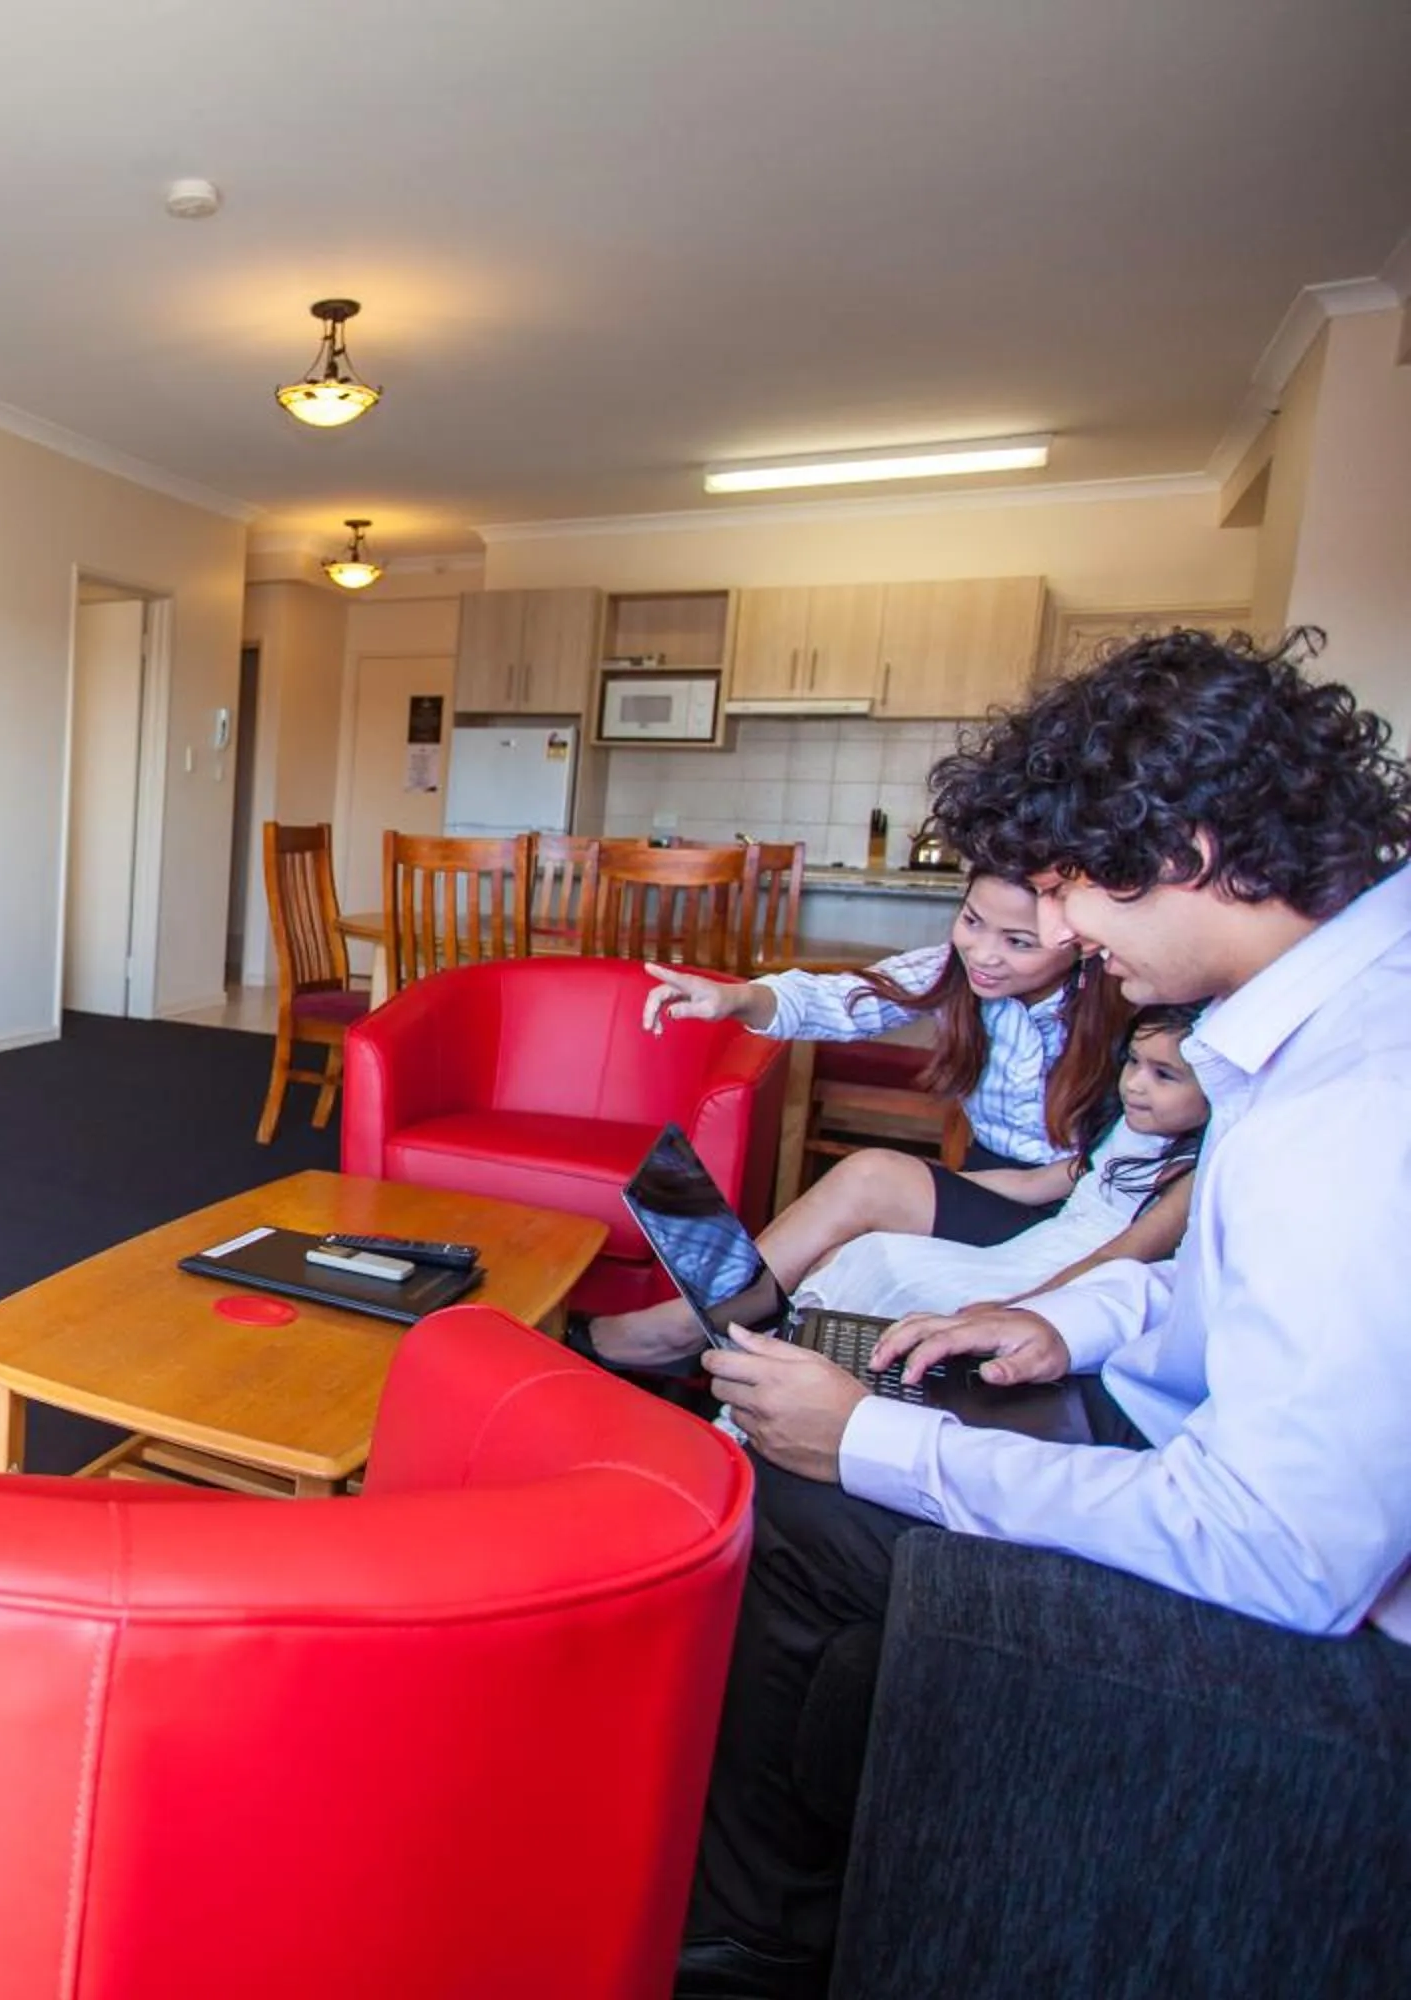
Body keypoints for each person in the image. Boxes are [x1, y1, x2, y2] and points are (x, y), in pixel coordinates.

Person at [676, 629, 1411, 1999]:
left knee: (808, 1489)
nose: (1062, 931)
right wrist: (1073, 1329)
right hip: (1198, 1440)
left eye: (1074, 889)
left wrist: (878, 1448)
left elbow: (1290, 1555)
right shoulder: (1328, 1016)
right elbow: (1223, 1276)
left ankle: (742, 1953)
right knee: (817, 1473)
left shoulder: (1362, 1099)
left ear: (1187, 850)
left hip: (1320, 1626)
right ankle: (778, 1908)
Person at [589, 872, 1131, 1365]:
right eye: (972, 921)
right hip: (994, 1183)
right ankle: (740, 1362)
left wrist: (963, 1185)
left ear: (1078, 937)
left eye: (1018, 942)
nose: (984, 954)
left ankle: (687, 1330)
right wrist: (737, 998)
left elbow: (1120, 1176)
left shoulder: (1123, 1002)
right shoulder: (953, 971)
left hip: (1075, 1209)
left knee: (869, 1181)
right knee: (825, 1257)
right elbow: (847, 998)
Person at [799, 1003, 1205, 1318]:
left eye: (1164, 1075)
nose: (1134, 1084)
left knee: (885, 1273)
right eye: (1133, 1062)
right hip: (1029, 1247)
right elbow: (1034, 1184)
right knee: (854, 1255)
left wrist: (1017, 1310)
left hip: (1063, 1280)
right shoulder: (1127, 1128)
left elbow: (1115, 1260)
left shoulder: (1193, 1172)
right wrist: (926, 1183)